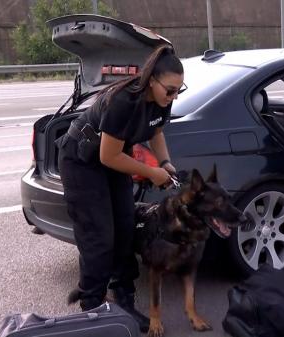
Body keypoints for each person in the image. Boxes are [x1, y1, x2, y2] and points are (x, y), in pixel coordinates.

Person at [56, 44, 185, 332]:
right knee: (99, 238)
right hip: (82, 162)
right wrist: (151, 173)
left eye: (179, 90)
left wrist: (165, 163)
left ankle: (124, 303)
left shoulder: (162, 99)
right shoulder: (123, 101)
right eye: (170, 90)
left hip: (113, 161)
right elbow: (107, 156)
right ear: (152, 80)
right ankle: (92, 311)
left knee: (126, 230)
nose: (174, 96)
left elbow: (156, 131)